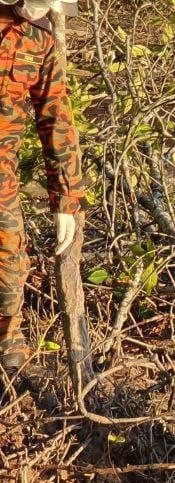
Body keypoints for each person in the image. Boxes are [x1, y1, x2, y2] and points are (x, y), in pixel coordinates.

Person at [0, 0, 82, 378]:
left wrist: (65, 198)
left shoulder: (40, 42)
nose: (43, 10)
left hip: (2, 182)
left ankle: (9, 357)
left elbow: (57, 120)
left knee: (8, 274)